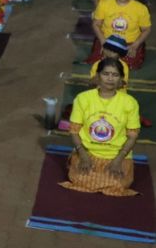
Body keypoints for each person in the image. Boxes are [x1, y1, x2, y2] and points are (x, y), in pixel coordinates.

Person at [60, 58, 140, 196]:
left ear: (121, 79)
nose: (110, 79)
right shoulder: (83, 98)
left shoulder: (130, 103)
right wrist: (83, 155)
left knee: (118, 184)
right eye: (106, 74)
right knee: (79, 179)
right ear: (97, 77)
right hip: (88, 152)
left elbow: (133, 135)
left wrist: (118, 159)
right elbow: (74, 131)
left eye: (115, 75)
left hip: (117, 155)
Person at [88, 0, 151, 70]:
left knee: (128, 64)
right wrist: (103, 42)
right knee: (99, 61)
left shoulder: (141, 8)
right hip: (107, 40)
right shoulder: (104, 4)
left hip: (129, 43)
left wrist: (135, 45)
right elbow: (96, 24)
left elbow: (146, 29)